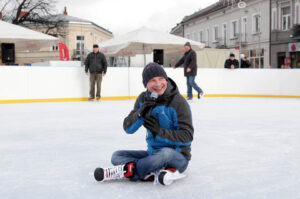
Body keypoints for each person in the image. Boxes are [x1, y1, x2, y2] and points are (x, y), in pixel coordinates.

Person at [94, 62, 194, 186]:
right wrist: (140, 114)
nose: (158, 84)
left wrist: (159, 132)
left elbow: (187, 136)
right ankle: (154, 171)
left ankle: (130, 171)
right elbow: (128, 128)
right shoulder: (143, 99)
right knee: (117, 156)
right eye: (152, 80)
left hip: (177, 157)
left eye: (161, 79)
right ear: (146, 84)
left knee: (165, 153)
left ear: (166, 80)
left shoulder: (178, 102)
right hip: (152, 154)